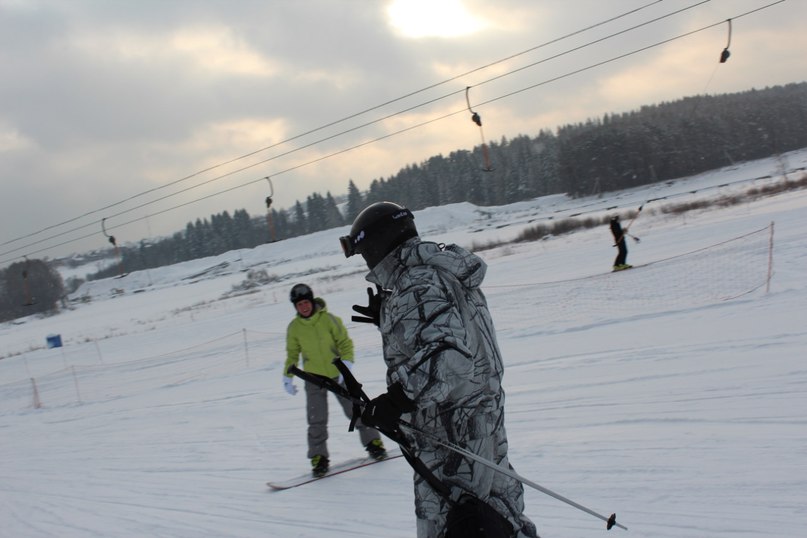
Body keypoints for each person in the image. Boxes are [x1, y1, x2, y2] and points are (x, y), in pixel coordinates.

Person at [339, 202, 538, 538]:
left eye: (364, 253)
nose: (366, 262)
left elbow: (449, 358)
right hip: (480, 427)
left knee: (459, 525)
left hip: (449, 439)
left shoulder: (415, 286)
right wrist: (390, 321)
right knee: (501, 519)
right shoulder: (441, 273)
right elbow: (456, 338)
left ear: (376, 245)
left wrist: (397, 400)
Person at [282, 283, 387, 477]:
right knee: (316, 420)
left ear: (312, 301)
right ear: (295, 307)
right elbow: (292, 354)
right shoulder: (294, 328)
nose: (303, 307)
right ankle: (318, 458)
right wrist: (287, 376)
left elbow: (345, 343)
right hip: (313, 378)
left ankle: (374, 443)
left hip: (339, 375)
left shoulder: (330, 320)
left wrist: (346, 363)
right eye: (299, 305)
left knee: (356, 410)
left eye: (306, 302)